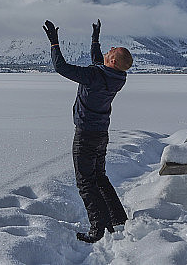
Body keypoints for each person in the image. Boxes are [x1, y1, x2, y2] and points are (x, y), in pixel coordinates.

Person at [42, 18, 133, 243]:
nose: (109, 49)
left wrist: (54, 44)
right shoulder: (118, 77)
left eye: (112, 50)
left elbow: (61, 68)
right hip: (101, 134)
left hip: (86, 135)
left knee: (85, 183)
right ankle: (118, 219)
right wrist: (95, 40)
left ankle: (97, 228)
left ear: (112, 59)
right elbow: (98, 62)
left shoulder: (95, 76)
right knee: (99, 177)